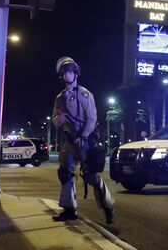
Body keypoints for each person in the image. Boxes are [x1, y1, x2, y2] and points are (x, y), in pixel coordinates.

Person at [51, 56, 115, 224]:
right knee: (65, 174)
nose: (66, 76)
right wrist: (60, 119)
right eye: (64, 73)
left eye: (70, 72)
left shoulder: (85, 94)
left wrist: (84, 136)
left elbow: (92, 118)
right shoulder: (60, 97)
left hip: (85, 141)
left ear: (76, 74)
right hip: (70, 142)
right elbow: (54, 119)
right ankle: (69, 209)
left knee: (91, 176)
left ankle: (108, 207)